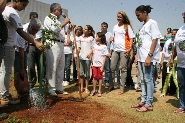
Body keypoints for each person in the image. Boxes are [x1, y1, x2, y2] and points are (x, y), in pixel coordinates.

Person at [0, 0, 43, 104]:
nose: (24, 8)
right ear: (17, 1)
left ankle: (4, 94)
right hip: (9, 45)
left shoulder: (4, 9)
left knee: (3, 72)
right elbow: (20, 32)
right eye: (23, 5)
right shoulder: (13, 13)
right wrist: (35, 42)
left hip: (5, 44)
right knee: (6, 72)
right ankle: (4, 96)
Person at [131, 5, 162, 112]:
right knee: (143, 80)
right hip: (141, 57)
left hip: (148, 57)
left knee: (148, 80)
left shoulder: (152, 23)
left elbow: (155, 39)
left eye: (138, 15)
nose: (137, 17)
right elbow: (140, 43)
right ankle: (143, 100)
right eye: (136, 16)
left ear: (145, 13)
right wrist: (137, 55)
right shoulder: (143, 26)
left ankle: (149, 103)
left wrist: (149, 56)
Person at [44, 3, 72, 96]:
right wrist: (64, 22)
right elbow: (53, 30)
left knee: (61, 66)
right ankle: (51, 88)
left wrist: (70, 26)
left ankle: (59, 87)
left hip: (61, 43)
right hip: (53, 43)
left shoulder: (60, 19)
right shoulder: (49, 18)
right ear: (55, 10)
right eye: (60, 9)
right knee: (53, 66)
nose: (61, 11)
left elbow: (65, 30)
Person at [107, 11, 134, 94]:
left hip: (124, 50)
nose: (118, 18)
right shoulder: (115, 26)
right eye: (118, 16)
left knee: (123, 69)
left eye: (120, 17)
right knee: (112, 68)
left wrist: (129, 49)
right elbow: (115, 37)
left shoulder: (127, 26)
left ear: (123, 18)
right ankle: (111, 84)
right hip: (115, 49)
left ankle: (122, 87)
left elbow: (131, 38)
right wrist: (112, 39)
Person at [14, 18, 42, 84]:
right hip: (17, 51)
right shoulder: (22, 32)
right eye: (33, 30)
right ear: (29, 26)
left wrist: (27, 48)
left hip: (23, 49)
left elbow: (29, 41)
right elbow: (21, 53)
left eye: (37, 31)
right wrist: (22, 69)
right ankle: (20, 89)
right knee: (19, 71)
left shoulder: (32, 30)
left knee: (24, 69)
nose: (35, 32)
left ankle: (25, 88)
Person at [169, 12, 185, 113]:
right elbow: (176, 46)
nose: (183, 16)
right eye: (183, 14)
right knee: (182, 85)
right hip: (181, 64)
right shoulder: (180, 29)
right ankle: (182, 106)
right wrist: (172, 58)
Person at [26, 12, 43, 88]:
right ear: (30, 18)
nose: (34, 18)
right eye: (33, 17)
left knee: (41, 64)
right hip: (30, 46)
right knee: (31, 65)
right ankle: (32, 81)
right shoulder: (26, 26)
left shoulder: (40, 26)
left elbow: (42, 36)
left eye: (36, 17)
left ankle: (42, 81)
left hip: (39, 45)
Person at [77, 25, 95, 94]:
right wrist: (77, 51)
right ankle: (82, 87)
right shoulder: (80, 38)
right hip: (81, 57)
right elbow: (78, 47)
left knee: (87, 73)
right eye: (83, 29)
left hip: (87, 58)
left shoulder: (91, 38)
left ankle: (86, 88)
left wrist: (89, 53)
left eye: (85, 29)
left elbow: (93, 48)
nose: (84, 30)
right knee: (81, 73)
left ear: (89, 31)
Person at [90, 32, 108, 97]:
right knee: (94, 77)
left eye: (97, 36)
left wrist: (102, 66)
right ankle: (94, 90)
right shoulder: (95, 45)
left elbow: (104, 57)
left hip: (100, 65)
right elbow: (93, 54)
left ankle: (100, 90)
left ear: (100, 38)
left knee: (100, 77)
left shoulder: (104, 46)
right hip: (94, 64)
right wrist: (92, 63)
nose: (95, 37)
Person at [160, 29, 178, 95]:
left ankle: (172, 91)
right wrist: (162, 61)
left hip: (174, 60)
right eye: (172, 34)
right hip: (166, 60)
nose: (173, 35)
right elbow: (163, 52)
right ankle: (165, 90)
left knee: (173, 77)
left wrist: (172, 59)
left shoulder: (177, 42)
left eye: (174, 34)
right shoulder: (167, 42)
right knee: (165, 75)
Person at [100, 22, 112, 87]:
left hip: (107, 54)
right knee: (99, 68)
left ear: (107, 27)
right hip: (99, 54)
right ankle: (99, 80)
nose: (103, 27)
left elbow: (111, 45)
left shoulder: (110, 34)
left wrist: (110, 52)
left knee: (107, 69)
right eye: (102, 26)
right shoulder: (99, 34)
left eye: (104, 26)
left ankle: (106, 81)